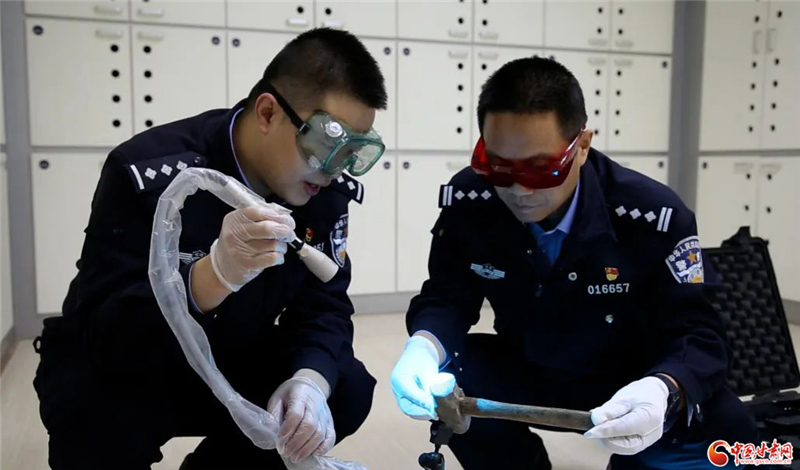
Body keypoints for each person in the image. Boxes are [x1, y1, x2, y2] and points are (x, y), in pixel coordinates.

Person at [33, 28, 387, 469]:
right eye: (326, 145)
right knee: (90, 415)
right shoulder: (148, 172)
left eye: (352, 152)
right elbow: (107, 333)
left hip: (233, 349)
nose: (334, 171)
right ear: (267, 112)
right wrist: (209, 278)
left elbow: (325, 306)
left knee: (344, 386)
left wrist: (309, 382)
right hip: (135, 358)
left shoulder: (321, 191)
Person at [390, 57, 758, 469]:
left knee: (728, 429)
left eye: (541, 169)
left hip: (630, 380)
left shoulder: (651, 216)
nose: (519, 189)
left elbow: (699, 333)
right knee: (456, 374)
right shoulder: (471, 201)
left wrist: (664, 389)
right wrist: (424, 346)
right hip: (528, 365)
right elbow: (447, 297)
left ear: (581, 145)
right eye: (498, 167)